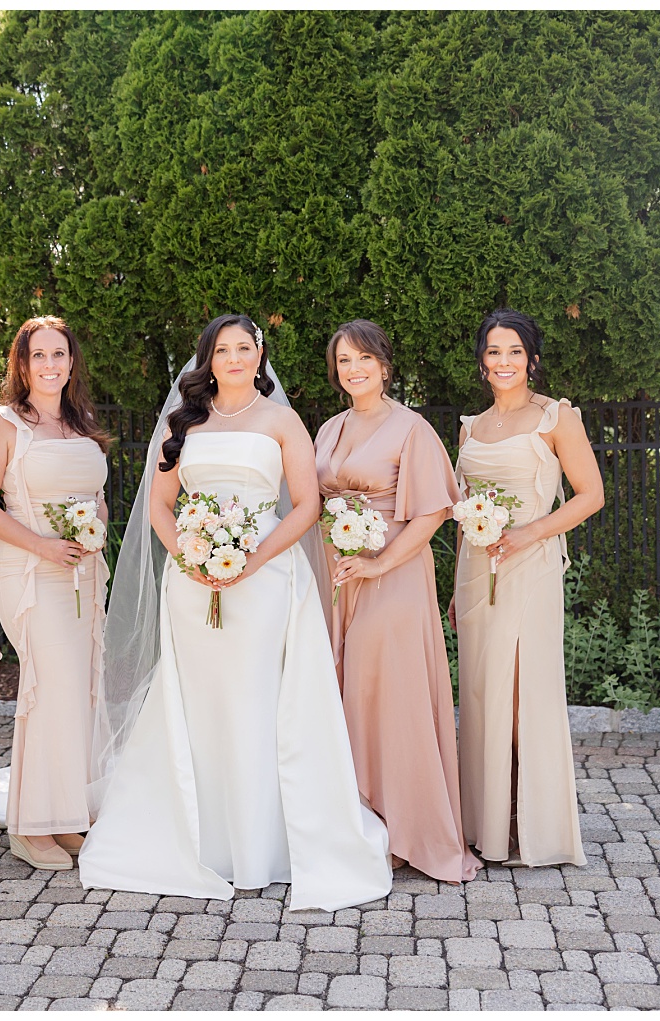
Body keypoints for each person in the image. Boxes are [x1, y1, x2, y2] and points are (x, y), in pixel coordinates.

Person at [78, 314, 391, 911]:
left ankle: (261, 844)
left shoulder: (281, 420)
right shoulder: (184, 423)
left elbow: (306, 506)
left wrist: (252, 559)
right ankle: (207, 837)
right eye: (222, 350)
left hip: (267, 578)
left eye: (244, 348)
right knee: (201, 700)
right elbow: (161, 506)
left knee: (255, 698)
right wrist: (192, 557)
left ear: (260, 353)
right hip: (192, 579)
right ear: (208, 360)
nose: (234, 358)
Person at [314, 320, 481, 884]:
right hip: (341, 576)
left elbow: (434, 510)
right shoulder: (330, 428)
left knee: (391, 696)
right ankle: (363, 824)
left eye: (363, 359)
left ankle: (408, 830)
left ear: (384, 365)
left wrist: (381, 561)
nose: (353, 370)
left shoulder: (413, 429)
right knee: (351, 693)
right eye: (343, 362)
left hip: (394, 577)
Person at [450, 307, 603, 867]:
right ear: (482, 362)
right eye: (494, 352)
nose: (504, 361)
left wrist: (528, 533)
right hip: (474, 573)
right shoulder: (470, 427)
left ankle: (528, 824)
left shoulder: (556, 417)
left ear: (532, 359)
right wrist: (455, 585)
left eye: (515, 351)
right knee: (482, 695)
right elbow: (465, 509)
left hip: (531, 567)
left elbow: (590, 495)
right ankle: (484, 824)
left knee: (522, 695)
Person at [0, 316, 111, 871]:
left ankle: (69, 815)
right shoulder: (2, 424)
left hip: (83, 568)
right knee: (49, 686)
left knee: (82, 688)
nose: (50, 365)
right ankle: (29, 826)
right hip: (29, 570)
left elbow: (95, 494)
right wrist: (44, 546)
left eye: (60, 354)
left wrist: (94, 525)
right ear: (21, 364)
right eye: (39, 355)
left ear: (71, 362)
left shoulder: (82, 422)